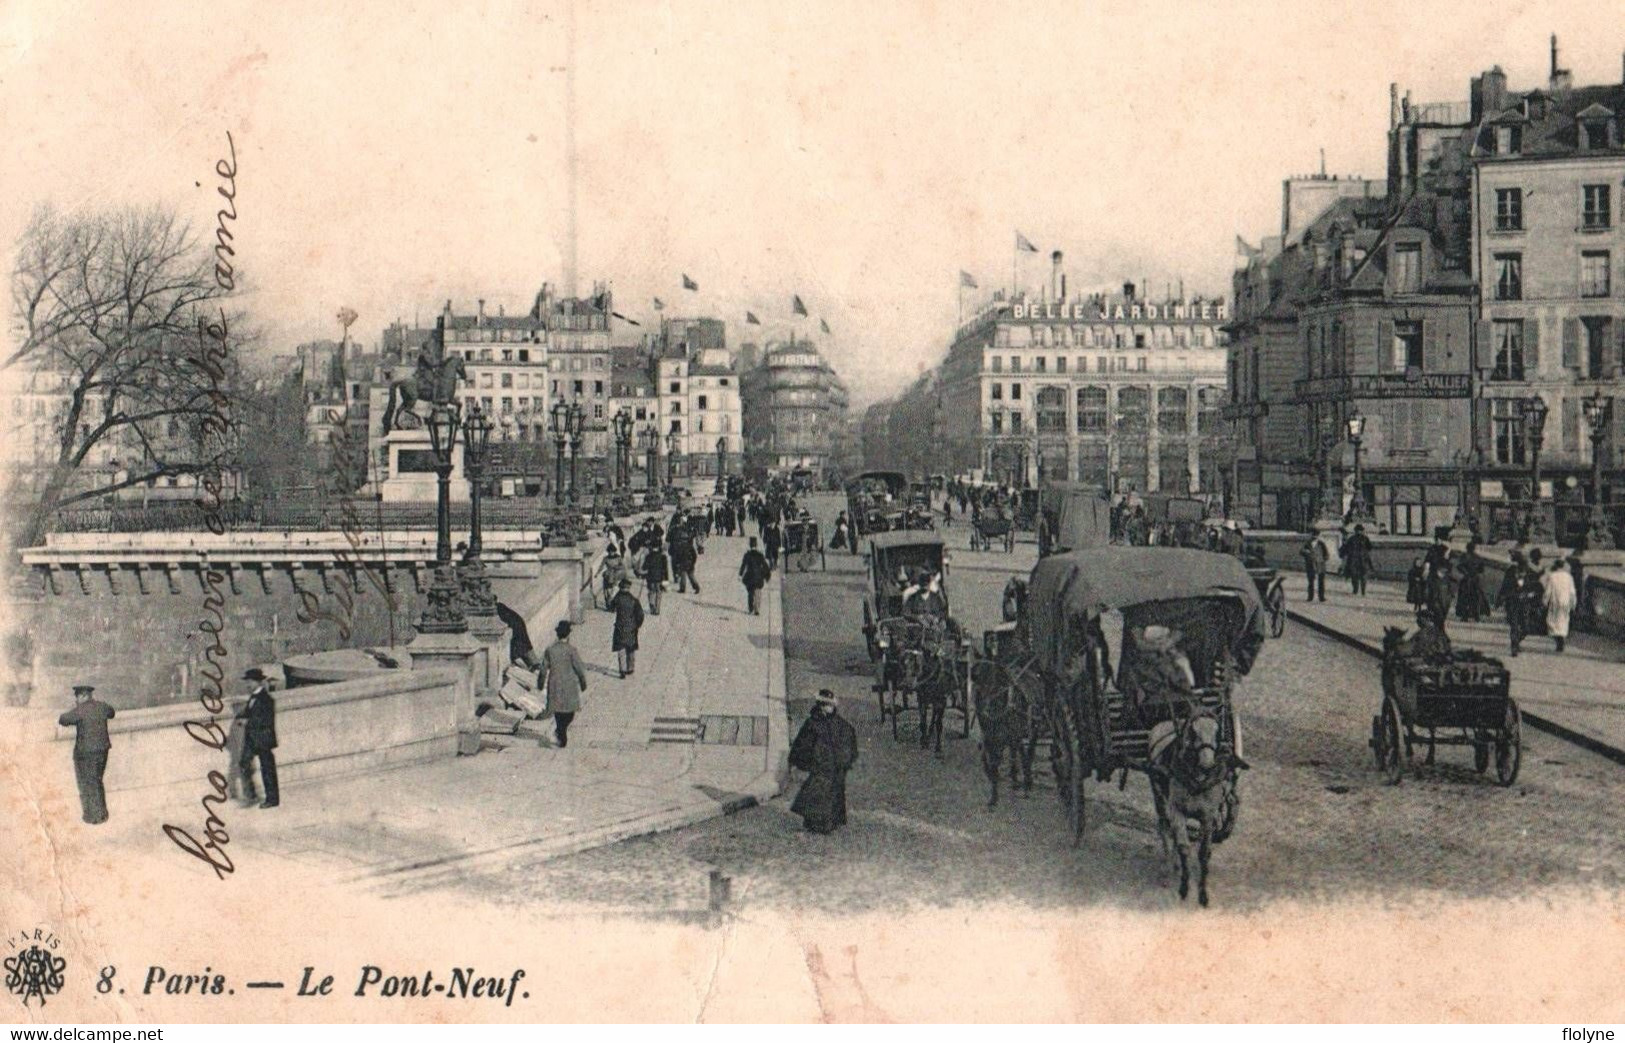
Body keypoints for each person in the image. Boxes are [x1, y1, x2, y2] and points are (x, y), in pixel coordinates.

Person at [788, 690, 859, 835]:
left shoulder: (840, 724)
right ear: (821, 706)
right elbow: (803, 743)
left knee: (832, 792)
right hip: (820, 764)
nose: (830, 708)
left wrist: (845, 759)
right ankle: (815, 822)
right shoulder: (813, 723)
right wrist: (802, 760)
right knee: (818, 791)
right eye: (827, 705)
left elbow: (849, 737)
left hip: (834, 764)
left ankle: (829, 822)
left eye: (831, 705)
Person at [58, 683, 114, 824]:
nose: (76, 700)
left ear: (83, 696)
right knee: (97, 781)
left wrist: (77, 709)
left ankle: (95, 816)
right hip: (103, 750)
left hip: (87, 752)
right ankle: (103, 814)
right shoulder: (101, 706)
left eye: (77, 697)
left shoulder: (80, 710)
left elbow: (63, 719)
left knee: (90, 783)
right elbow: (112, 712)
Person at [540, 620, 588, 748]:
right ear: (568, 635)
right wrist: (583, 683)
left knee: (558, 712)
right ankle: (561, 734)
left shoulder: (550, 650)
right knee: (569, 713)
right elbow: (579, 668)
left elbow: (543, 669)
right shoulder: (571, 650)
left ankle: (560, 732)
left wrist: (540, 684)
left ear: (557, 634)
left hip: (555, 684)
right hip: (569, 685)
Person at [238, 667, 279, 809]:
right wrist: (242, 717)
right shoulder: (253, 697)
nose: (248, 685)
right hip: (252, 738)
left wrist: (247, 721)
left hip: (263, 739)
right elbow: (250, 713)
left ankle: (272, 799)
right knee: (243, 763)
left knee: (267, 769)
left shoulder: (266, 699)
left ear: (258, 682)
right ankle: (252, 795)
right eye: (247, 682)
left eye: (250, 682)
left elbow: (265, 720)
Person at [609, 579, 645, 677]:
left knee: (621, 648)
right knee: (631, 648)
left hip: (620, 626)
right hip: (631, 627)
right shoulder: (634, 600)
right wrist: (638, 624)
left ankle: (622, 670)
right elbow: (640, 615)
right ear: (629, 588)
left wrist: (611, 597)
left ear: (620, 587)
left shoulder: (617, 598)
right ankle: (630, 668)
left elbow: (611, 608)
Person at [1543, 557, 1577, 653]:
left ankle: (1559, 641)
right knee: (1563, 622)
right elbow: (1572, 592)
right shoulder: (1569, 577)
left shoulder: (1552, 576)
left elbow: (1548, 591)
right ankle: (1561, 639)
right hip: (1565, 602)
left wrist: (1545, 601)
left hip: (1555, 602)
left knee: (1552, 622)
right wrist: (1573, 603)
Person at [1455, 540, 1490, 622]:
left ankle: (1465, 615)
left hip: (1468, 579)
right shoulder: (1477, 557)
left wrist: (1466, 573)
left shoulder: (1464, 556)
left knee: (1465, 597)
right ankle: (1476, 615)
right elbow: (1481, 569)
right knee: (1476, 597)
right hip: (1474, 579)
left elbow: (1459, 567)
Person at [739, 536, 772, 615]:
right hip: (758, 577)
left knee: (750, 593)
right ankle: (757, 608)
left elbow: (743, 565)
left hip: (750, 576)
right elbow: (765, 565)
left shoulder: (747, 555)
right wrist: (767, 575)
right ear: (756, 545)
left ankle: (751, 608)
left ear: (750, 545)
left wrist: (740, 574)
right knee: (758, 592)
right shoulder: (760, 555)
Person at [1340, 523, 1373, 596]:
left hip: (1359, 560)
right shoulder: (1355, 539)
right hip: (1357, 560)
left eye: (1360, 530)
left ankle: (1360, 591)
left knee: (1360, 576)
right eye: (1358, 530)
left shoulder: (1362, 538)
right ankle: (1357, 590)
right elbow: (1369, 548)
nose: (1359, 532)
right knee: (1356, 576)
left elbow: (1369, 547)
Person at [641, 540, 669, 616]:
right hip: (660, 578)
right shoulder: (663, 557)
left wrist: (643, 575)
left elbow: (644, 567)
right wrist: (666, 581)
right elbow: (665, 570)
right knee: (659, 593)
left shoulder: (648, 556)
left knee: (651, 591)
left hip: (650, 578)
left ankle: (651, 605)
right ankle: (657, 609)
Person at [1299, 535, 1327, 603]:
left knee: (1321, 581)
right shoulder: (1307, 543)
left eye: (1316, 535)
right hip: (1310, 564)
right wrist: (1306, 553)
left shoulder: (1321, 543)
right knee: (1311, 581)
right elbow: (1301, 551)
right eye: (1313, 535)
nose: (1315, 536)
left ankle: (1321, 597)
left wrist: (1323, 559)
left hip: (1320, 564)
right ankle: (1310, 597)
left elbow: (1326, 553)